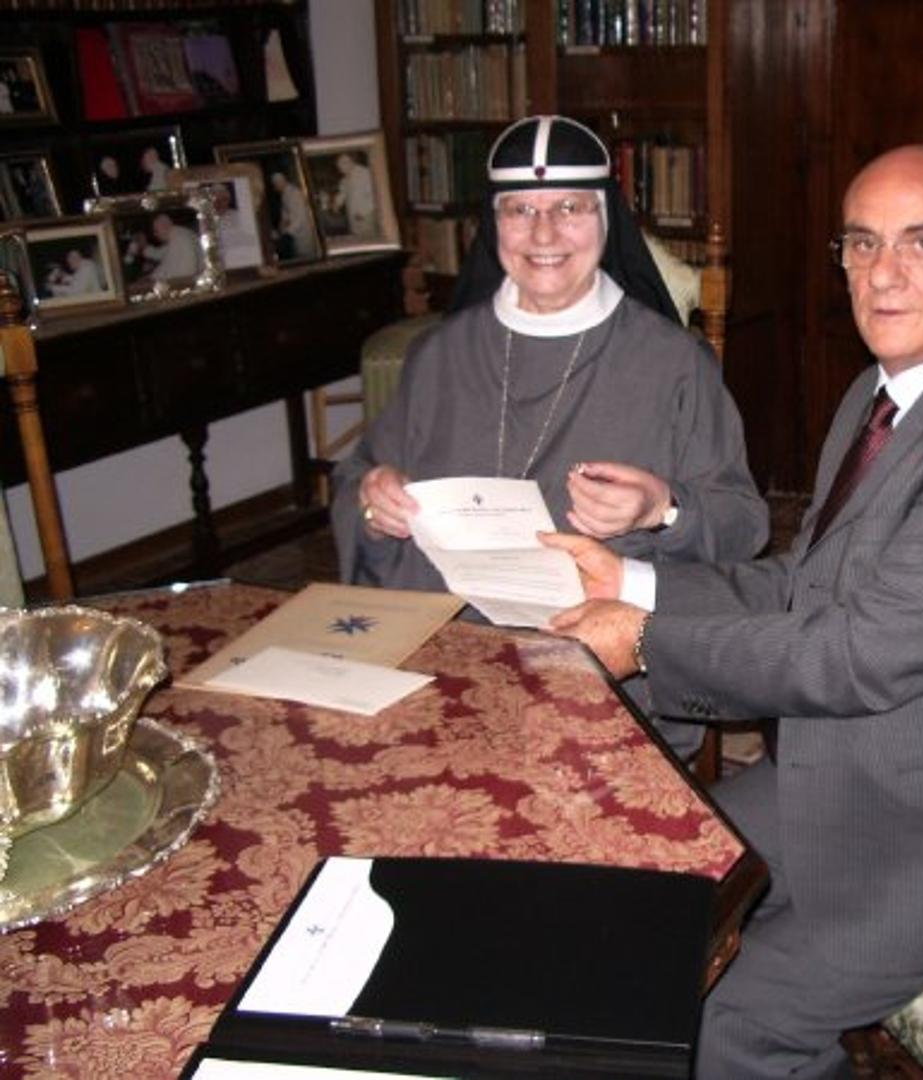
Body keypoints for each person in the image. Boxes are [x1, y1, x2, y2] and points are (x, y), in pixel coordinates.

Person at [545, 145, 923, 1078]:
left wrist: (648, 644)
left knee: (734, 1020)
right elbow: (806, 584)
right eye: (862, 243)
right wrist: (633, 585)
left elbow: (856, 655)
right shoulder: (883, 391)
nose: (883, 273)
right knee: (643, 892)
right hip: (862, 766)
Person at [331, 115, 769, 757]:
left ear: (605, 220)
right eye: (520, 210)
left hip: (598, 668)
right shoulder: (438, 356)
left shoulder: (674, 364)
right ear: (494, 224)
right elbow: (357, 482)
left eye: (569, 208)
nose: (543, 234)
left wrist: (664, 508)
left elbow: (743, 523)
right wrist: (375, 502)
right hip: (447, 657)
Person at [128, 212, 199, 282]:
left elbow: (167, 268)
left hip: (187, 281)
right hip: (191, 279)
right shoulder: (180, 233)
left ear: (165, 226)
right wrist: (144, 246)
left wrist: (149, 278)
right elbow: (159, 253)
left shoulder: (177, 236)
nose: (155, 234)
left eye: (156, 231)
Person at [272, 170, 318, 259]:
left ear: (282, 182)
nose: (275, 187)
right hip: (294, 234)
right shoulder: (284, 195)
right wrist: (281, 227)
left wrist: (286, 233)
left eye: (276, 184)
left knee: (307, 256)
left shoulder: (295, 194)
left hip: (302, 233)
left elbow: (299, 218)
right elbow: (285, 215)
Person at [331, 152, 377, 237]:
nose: (341, 166)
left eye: (344, 162)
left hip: (365, 216)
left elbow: (375, 195)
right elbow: (342, 193)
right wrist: (337, 204)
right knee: (357, 236)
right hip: (353, 216)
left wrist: (363, 212)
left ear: (352, 161)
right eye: (339, 164)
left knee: (369, 238)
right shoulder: (344, 180)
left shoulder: (364, 173)